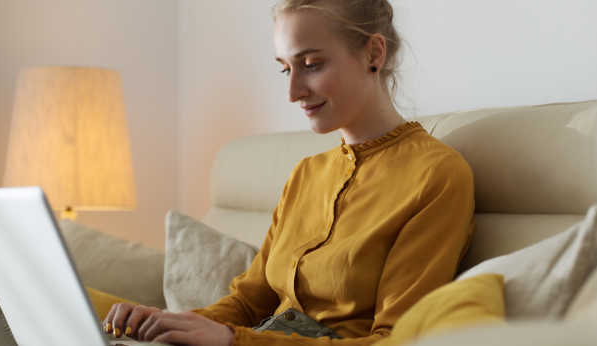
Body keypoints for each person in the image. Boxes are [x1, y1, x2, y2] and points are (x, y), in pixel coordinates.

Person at [103, 0, 476, 345]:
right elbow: (249, 303)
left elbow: (394, 340)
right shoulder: (307, 173)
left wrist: (235, 340)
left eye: (311, 64)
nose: (294, 92)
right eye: (285, 69)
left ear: (374, 53)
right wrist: (167, 324)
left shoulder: (435, 175)